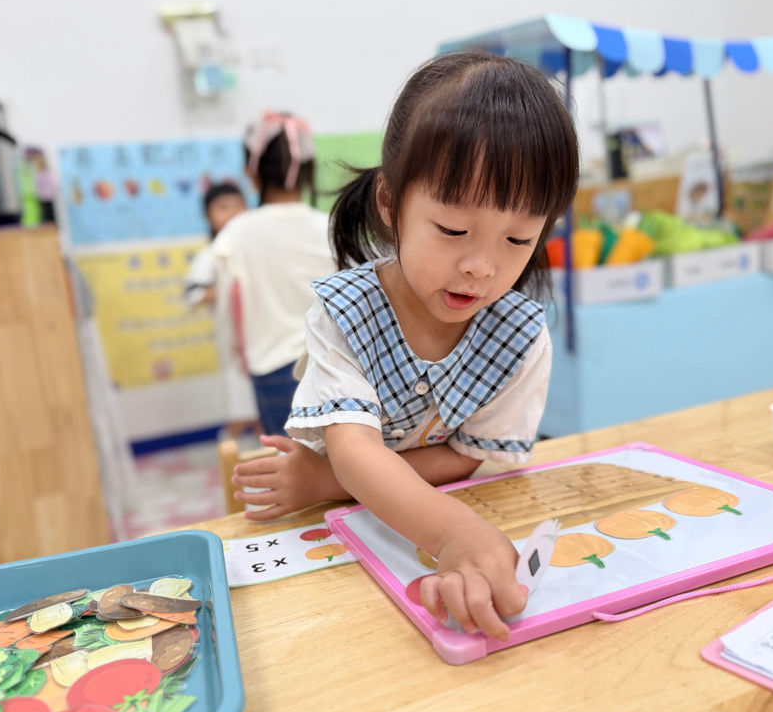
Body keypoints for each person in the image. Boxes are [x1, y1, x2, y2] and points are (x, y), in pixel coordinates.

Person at [232, 52, 578, 641]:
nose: (480, 266)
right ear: (391, 203)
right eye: (453, 230)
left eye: (519, 239)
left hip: (438, 519)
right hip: (342, 548)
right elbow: (354, 450)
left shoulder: (519, 337)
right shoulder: (346, 314)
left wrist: (323, 480)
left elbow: (466, 457)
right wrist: (451, 532)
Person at [211, 111, 337, 436]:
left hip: (271, 369)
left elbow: (226, 313)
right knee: (343, 460)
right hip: (335, 364)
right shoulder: (330, 228)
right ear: (309, 169)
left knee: (287, 462)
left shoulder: (236, 233)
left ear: (251, 173)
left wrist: (234, 364)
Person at [183, 182, 259, 438]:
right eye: (223, 207)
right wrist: (228, 289)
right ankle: (228, 452)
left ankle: (267, 459)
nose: (233, 213)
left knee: (264, 415)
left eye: (239, 205)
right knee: (242, 413)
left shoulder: (257, 248)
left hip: (265, 341)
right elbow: (193, 293)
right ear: (208, 216)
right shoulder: (211, 254)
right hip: (234, 348)